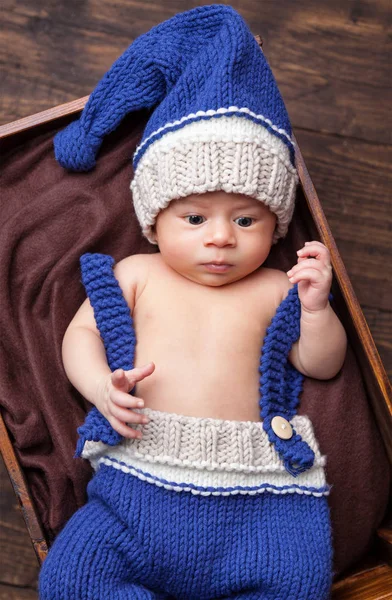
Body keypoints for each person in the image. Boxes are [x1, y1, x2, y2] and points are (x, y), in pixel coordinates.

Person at [39, 5, 346, 599]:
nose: (221, 237)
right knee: (72, 580)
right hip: (139, 479)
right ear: (155, 217)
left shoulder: (275, 285)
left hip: (261, 497)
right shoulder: (137, 273)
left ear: (277, 225)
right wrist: (100, 386)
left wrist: (316, 310)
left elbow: (321, 364)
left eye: (247, 218)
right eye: (195, 216)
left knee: (297, 585)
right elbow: (79, 336)